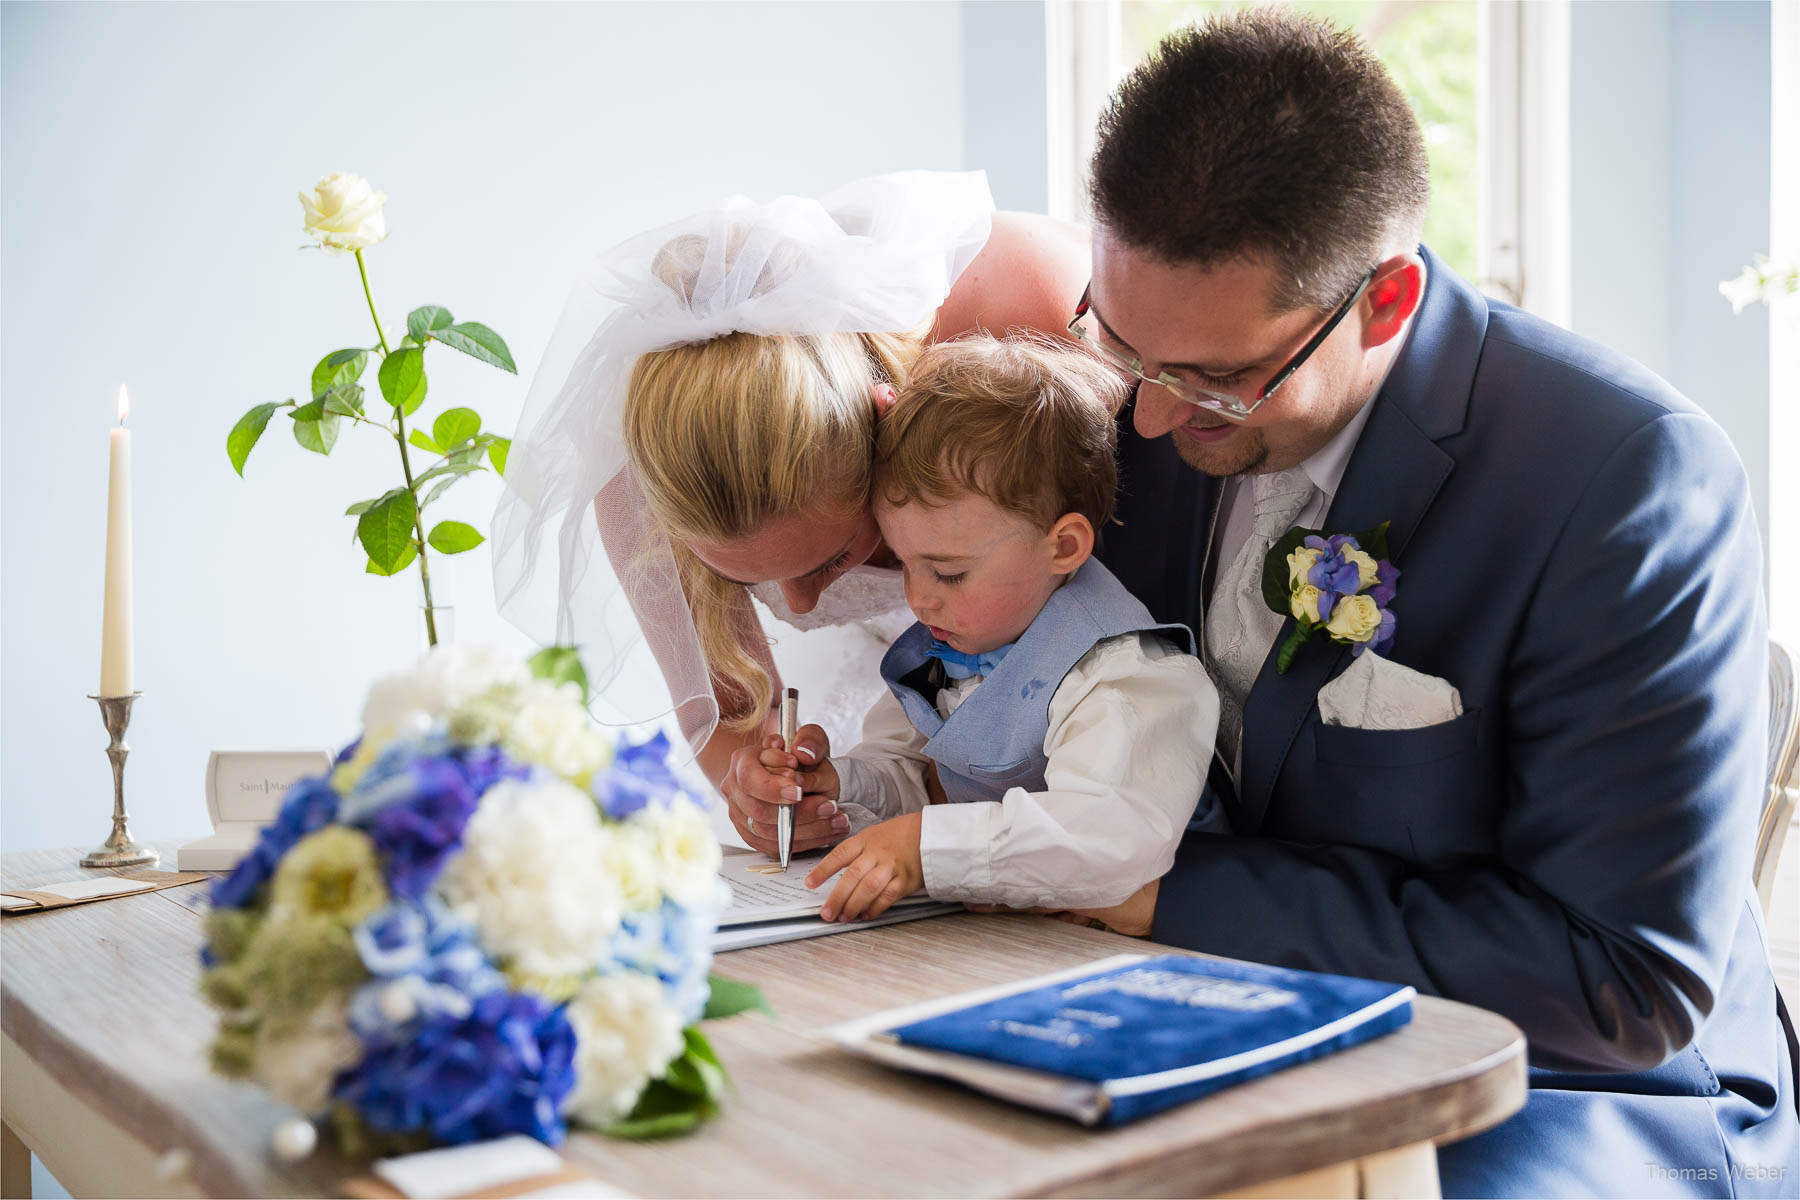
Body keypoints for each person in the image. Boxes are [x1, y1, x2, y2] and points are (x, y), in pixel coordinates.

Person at [1059, 10, 1796, 1195]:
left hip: (1559, 1095)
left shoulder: (1624, 478)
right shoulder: (1143, 398)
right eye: (1121, 342)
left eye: (1216, 384)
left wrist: (1170, 901)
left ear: (1387, 301)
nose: (1144, 418)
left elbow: (1621, 982)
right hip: (1203, 1028)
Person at [492, 172, 1088, 857]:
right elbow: (730, 716)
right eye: (751, 581)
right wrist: (758, 789)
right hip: (888, 707)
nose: (803, 602)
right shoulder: (645, 487)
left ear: (885, 424)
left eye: (831, 557)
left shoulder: (1027, 328)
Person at [726, 337, 1222, 922]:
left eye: (949, 573)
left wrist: (924, 847)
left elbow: (1106, 839)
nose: (916, 597)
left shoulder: (1125, 673)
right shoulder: (951, 647)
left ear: (1062, 546)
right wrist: (836, 789)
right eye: (905, 563)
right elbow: (912, 778)